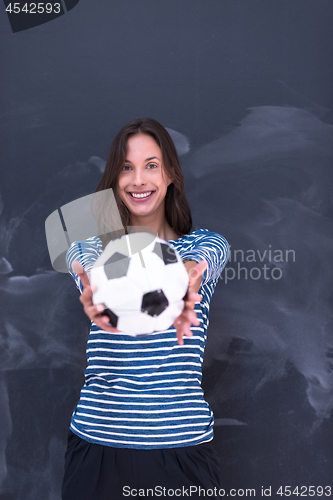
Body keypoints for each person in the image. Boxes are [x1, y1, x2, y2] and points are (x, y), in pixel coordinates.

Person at [61, 118, 230, 499]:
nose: (139, 179)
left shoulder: (201, 247)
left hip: (182, 452)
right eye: (126, 167)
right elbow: (79, 257)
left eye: (151, 165)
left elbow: (211, 254)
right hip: (98, 449)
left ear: (170, 173)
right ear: (114, 179)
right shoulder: (99, 251)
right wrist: (90, 276)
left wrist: (188, 272)